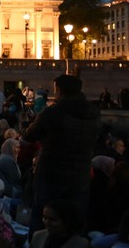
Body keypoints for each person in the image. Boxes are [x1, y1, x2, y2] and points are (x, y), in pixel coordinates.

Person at [22, 74, 100, 233]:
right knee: (74, 219)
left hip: (51, 173)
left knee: (43, 219)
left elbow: (28, 136)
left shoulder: (53, 112)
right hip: (80, 174)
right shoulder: (93, 113)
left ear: (59, 90)